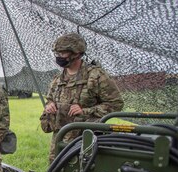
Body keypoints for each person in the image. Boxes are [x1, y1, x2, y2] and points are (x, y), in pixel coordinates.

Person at [43, 33, 124, 162]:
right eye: (57, 53)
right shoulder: (57, 80)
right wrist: (49, 106)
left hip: (86, 143)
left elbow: (116, 104)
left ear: (76, 53)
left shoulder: (96, 76)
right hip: (58, 145)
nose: (59, 57)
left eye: (62, 53)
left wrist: (85, 111)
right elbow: (50, 101)